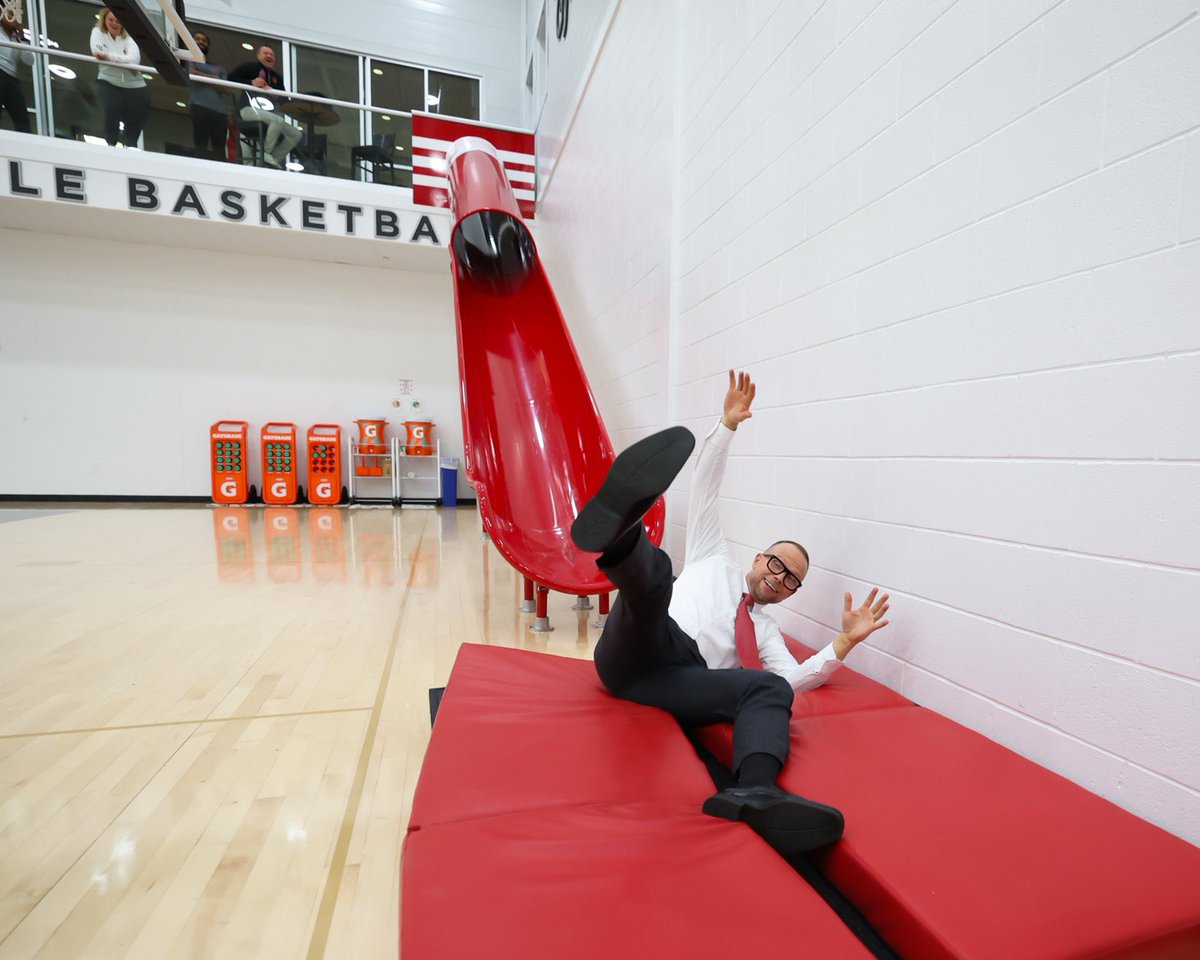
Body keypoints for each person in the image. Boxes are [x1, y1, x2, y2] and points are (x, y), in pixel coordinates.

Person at [571, 370, 891, 855]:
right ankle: (619, 531)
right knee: (655, 584)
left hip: (677, 680)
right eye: (779, 564)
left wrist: (843, 643)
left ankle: (755, 792)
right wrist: (726, 426)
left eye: (792, 580)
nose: (781, 579)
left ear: (790, 593)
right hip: (641, 642)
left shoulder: (766, 631)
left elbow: (794, 679)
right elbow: (706, 486)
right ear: (760, 558)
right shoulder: (712, 555)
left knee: (767, 685)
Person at [227, 44, 301, 168]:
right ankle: (265, 153)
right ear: (258, 55)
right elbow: (230, 77)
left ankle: (273, 158)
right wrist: (251, 82)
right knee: (277, 119)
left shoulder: (277, 78)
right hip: (248, 111)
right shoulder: (250, 67)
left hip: (269, 116)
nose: (269, 56)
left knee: (296, 134)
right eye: (265, 53)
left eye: (271, 54)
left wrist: (275, 94)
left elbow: (284, 102)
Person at [89, 6, 149, 148]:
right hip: (108, 81)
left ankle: (130, 150)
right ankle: (111, 147)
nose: (114, 23)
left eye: (118, 21)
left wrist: (108, 56)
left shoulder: (129, 38)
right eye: (111, 19)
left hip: (136, 86)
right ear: (104, 20)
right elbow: (97, 52)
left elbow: (134, 60)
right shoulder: (98, 32)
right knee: (111, 112)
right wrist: (124, 60)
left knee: (134, 125)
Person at [187, 31, 228, 160]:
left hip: (219, 111)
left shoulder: (218, 67)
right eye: (198, 39)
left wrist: (202, 76)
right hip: (199, 106)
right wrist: (214, 78)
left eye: (204, 40)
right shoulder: (189, 60)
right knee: (201, 144)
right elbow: (192, 75)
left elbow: (225, 87)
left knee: (219, 147)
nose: (201, 42)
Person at [0, 5, 33, 133]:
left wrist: (22, 37)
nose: (13, 18)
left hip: (11, 78)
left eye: (15, 15)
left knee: (22, 119)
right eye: (9, 14)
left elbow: (29, 60)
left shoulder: (16, 37)